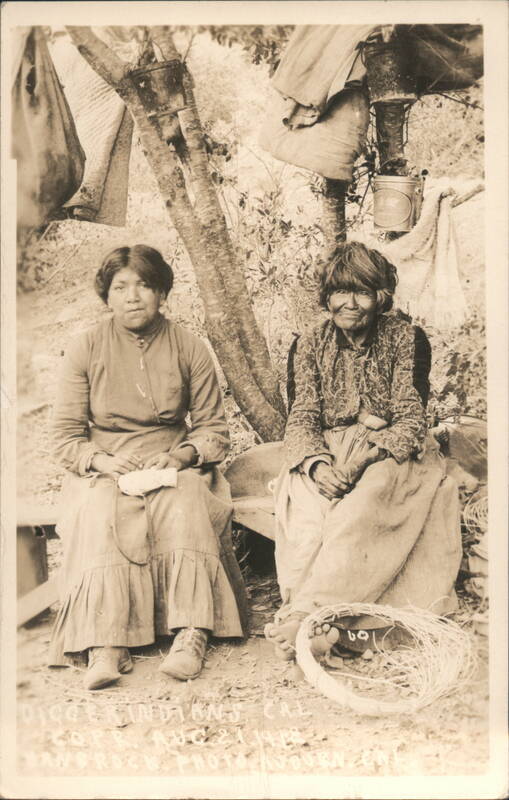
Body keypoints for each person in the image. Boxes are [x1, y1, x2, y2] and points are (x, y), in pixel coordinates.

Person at [48, 244, 248, 689]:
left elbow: (214, 430)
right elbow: (63, 437)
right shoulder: (85, 347)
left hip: (173, 459)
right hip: (106, 465)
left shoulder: (190, 346)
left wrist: (180, 457)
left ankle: (191, 633)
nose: (133, 296)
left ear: (162, 293)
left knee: (186, 502)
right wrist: (100, 460)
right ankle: (106, 643)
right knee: (102, 514)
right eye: (120, 287)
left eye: (144, 285)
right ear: (107, 296)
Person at [265, 241, 462, 659]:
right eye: (340, 292)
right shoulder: (309, 344)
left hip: (391, 449)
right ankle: (330, 628)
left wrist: (367, 458)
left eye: (362, 293)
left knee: (365, 503)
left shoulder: (406, 338)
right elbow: (302, 415)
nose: (349, 304)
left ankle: (311, 615)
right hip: (327, 450)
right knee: (308, 512)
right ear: (327, 296)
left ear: (380, 299)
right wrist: (317, 465)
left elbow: (411, 416)